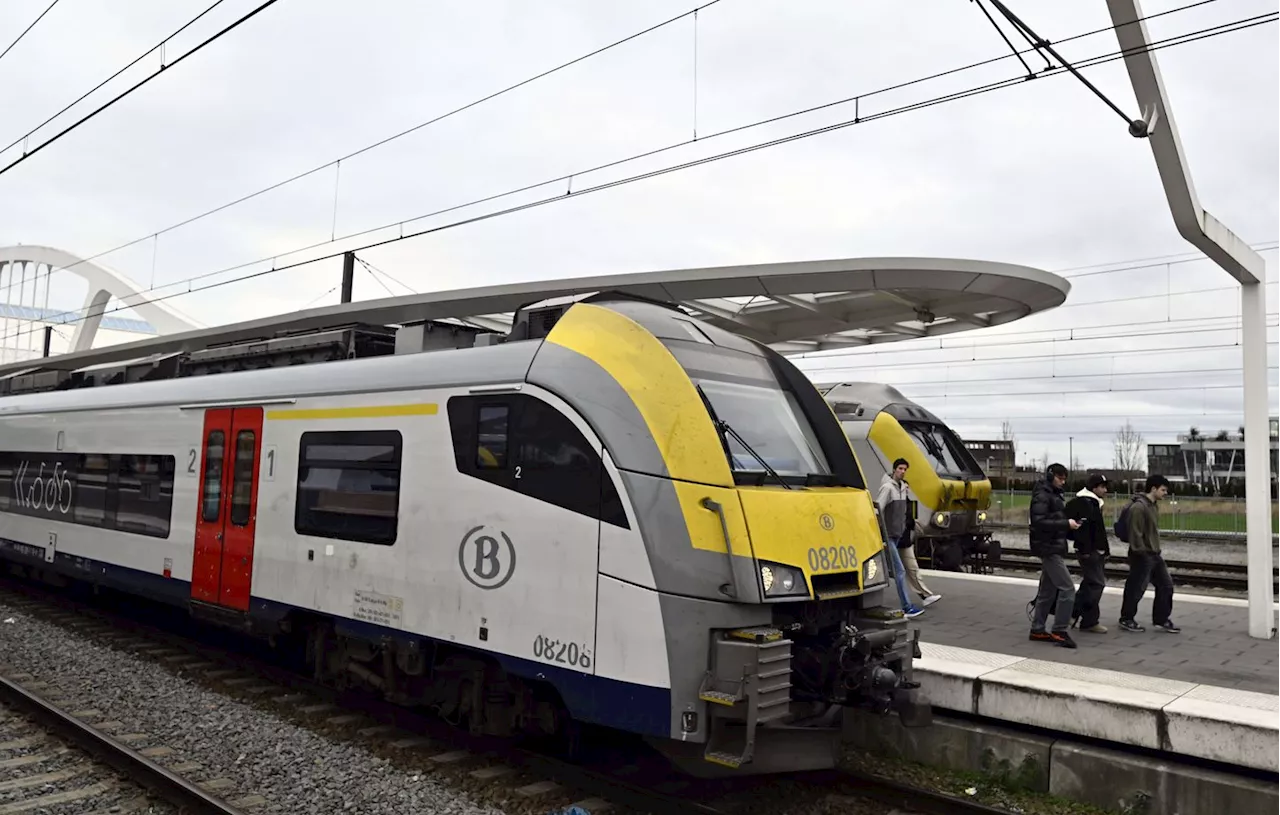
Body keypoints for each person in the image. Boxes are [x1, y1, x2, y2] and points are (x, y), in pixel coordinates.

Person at [1028, 463, 1080, 648]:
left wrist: (1068, 523)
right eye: (1059, 478)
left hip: (1052, 545)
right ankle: (1059, 630)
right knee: (1067, 588)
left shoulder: (1053, 493)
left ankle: (1038, 629)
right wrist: (1066, 523)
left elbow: (1051, 518)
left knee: (1048, 590)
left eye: (1064, 478)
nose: (1062, 481)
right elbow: (1039, 521)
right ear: (1050, 476)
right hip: (1047, 547)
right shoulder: (1043, 494)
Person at [876, 458, 936, 619]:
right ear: (894, 469)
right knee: (900, 571)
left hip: (897, 536)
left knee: (893, 571)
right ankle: (907, 608)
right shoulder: (888, 488)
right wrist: (880, 531)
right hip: (888, 536)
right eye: (900, 468)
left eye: (905, 469)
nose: (903, 471)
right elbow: (877, 509)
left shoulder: (903, 488)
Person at [1119, 475, 1179, 633]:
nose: (1165, 493)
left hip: (1154, 553)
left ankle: (1161, 619)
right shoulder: (1139, 507)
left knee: (1166, 585)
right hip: (1142, 554)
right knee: (1136, 588)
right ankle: (1126, 618)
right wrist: (1141, 551)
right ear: (1153, 489)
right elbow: (1135, 532)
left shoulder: (1153, 505)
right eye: (1163, 490)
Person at [1065, 473, 1110, 633]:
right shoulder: (1087, 504)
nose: (1106, 490)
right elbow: (1087, 529)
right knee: (1097, 584)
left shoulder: (1092, 502)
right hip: (1089, 551)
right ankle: (1074, 613)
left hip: (1092, 550)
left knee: (1089, 584)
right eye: (1103, 487)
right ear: (1094, 488)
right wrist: (1087, 549)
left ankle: (1088, 620)